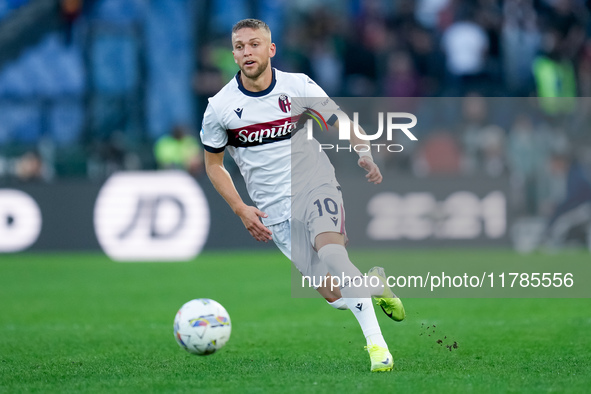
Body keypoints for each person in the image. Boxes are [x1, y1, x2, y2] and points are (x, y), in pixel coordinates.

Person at [200, 19, 405, 372]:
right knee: (333, 295)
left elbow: (340, 120)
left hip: (314, 184)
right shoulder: (220, 108)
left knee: (334, 255)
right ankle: (374, 285)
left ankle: (378, 349)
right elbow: (214, 165)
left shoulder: (297, 86)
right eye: (240, 46)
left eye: (254, 44)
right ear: (233, 54)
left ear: (270, 49)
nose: (247, 52)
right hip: (274, 210)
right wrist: (240, 208)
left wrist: (364, 151)